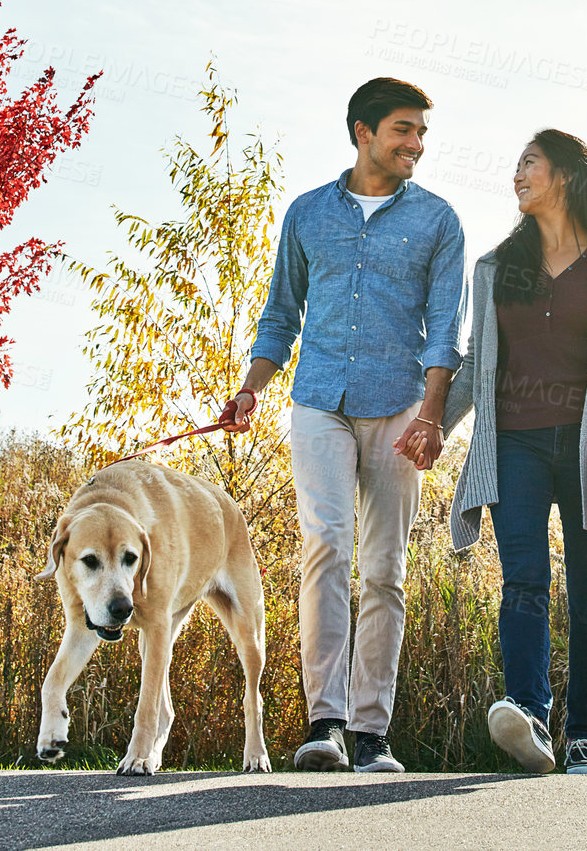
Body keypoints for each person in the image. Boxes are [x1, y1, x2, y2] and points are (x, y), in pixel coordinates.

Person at [217, 77, 465, 774]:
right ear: (363, 132)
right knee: (325, 547)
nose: (415, 144)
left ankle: (372, 733)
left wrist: (431, 414)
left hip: (398, 407)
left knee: (384, 567)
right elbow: (280, 316)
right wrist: (249, 389)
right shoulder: (306, 215)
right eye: (403, 130)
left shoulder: (438, 221)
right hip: (319, 400)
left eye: (420, 132)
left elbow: (446, 330)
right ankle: (323, 724)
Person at [405, 129, 587, 775]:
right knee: (524, 583)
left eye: (528, 164)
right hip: (514, 445)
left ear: (563, 176)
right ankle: (530, 715)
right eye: (515, 166)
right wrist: (436, 424)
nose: (517, 175)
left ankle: (582, 737)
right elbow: (478, 361)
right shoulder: (494, 269)